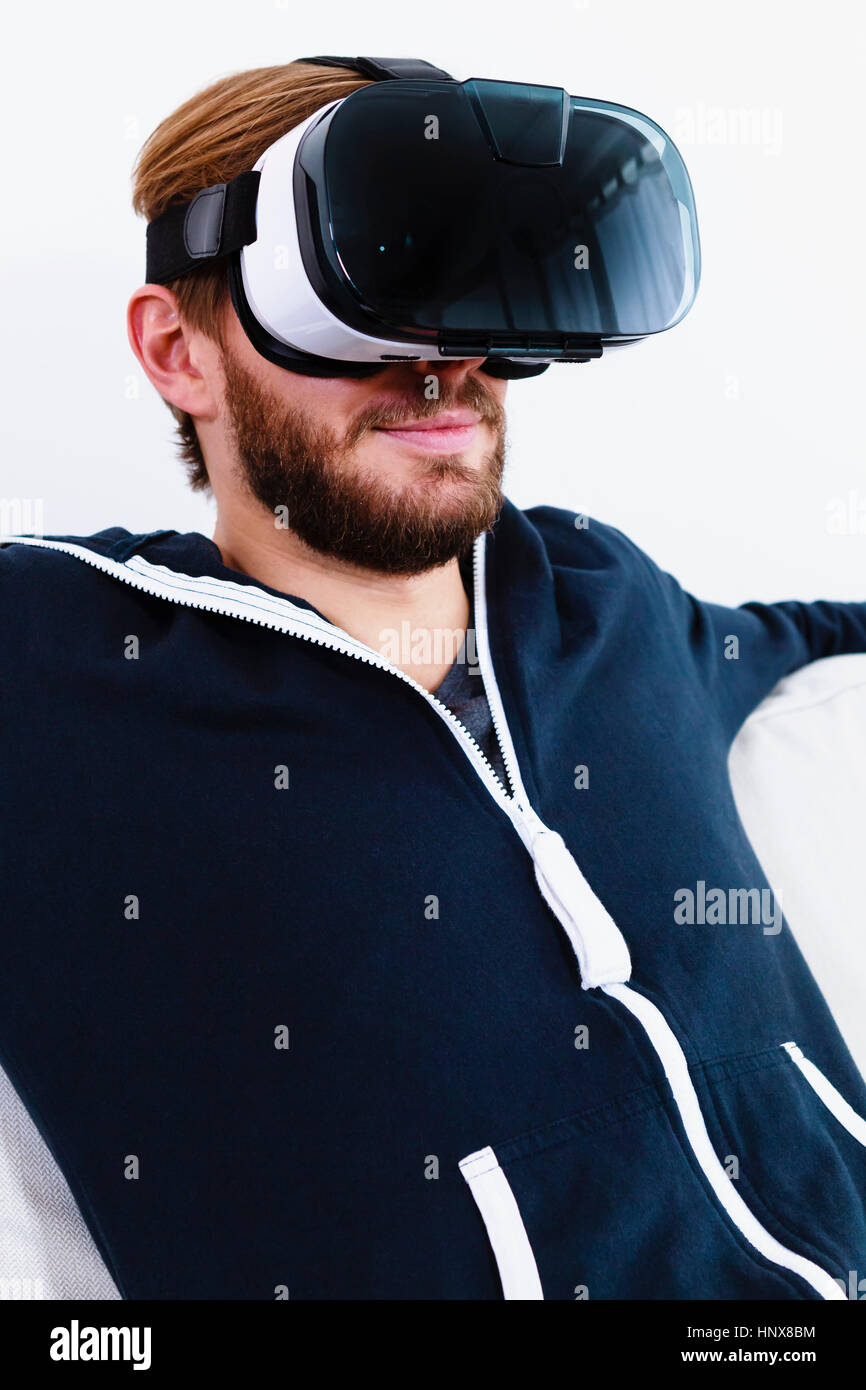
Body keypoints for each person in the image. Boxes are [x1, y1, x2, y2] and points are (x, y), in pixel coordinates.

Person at [2, 58, 866, 1302]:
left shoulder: (609, 598)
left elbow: (813, 628)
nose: (439, 360)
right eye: (368, 280)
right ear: (177, 352)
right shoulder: (56, 658)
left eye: (470, 277)